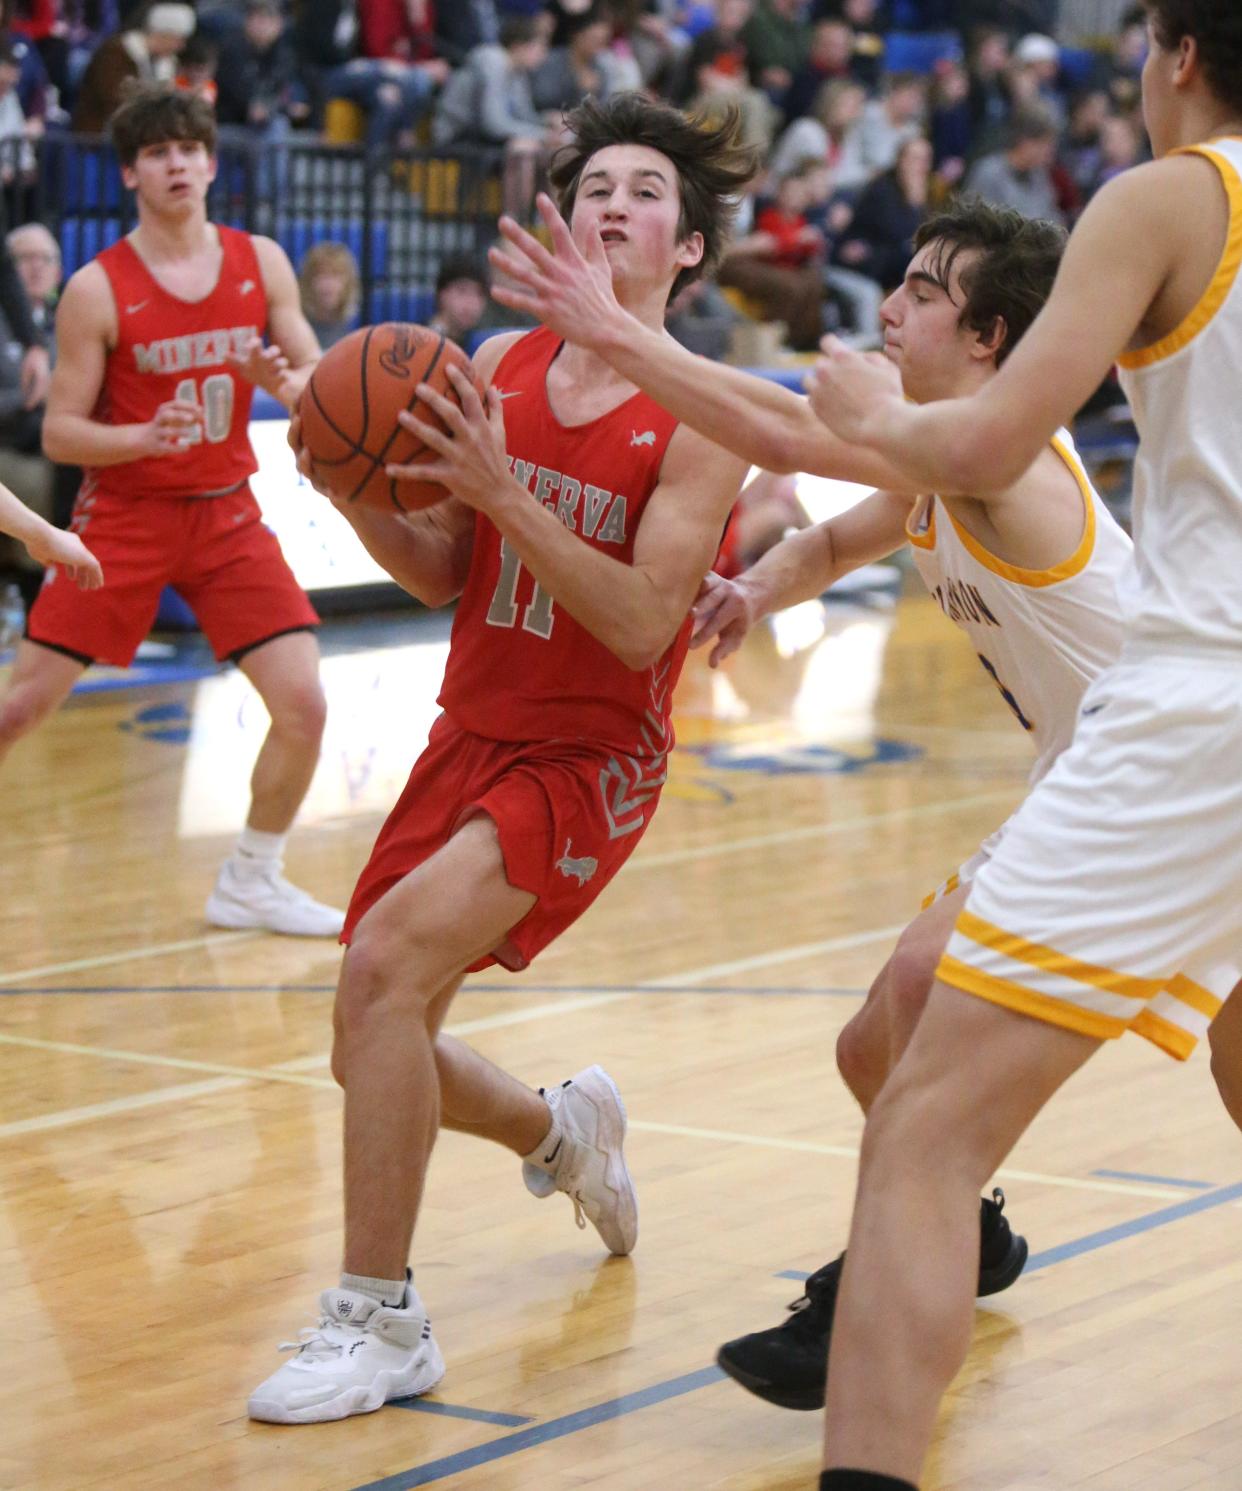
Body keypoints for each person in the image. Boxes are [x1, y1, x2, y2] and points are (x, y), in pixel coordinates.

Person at [488, 190, 1132, 1416]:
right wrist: (755, 589)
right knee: (869, 1050)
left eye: (929, 292)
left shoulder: (994, 455)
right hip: (1086, 774)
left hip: (1160, 773)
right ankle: (965, 1229)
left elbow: (780, 438)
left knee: (909, 990)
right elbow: (836, 542)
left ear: (991, 339)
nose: (890, 306)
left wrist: (623, 336)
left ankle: (865, 1301)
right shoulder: (940, 458)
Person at [246, 91, 752, 1426]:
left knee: (383, 963)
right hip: (470, 726)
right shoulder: (494, 362)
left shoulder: (700, 414)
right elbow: (437, 575)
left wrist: (502, 487)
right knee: (377, 1030)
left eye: (647, 190)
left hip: (589, 756)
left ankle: (378, 1314)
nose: (614, 201)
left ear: (685, 248)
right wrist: (346, 471)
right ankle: (560, 1130)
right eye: (596, 183)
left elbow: (646, 618)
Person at [800, 4, 1242, 1484]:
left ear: (1176, 53)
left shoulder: (1171, 191)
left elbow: (981, 442)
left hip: (1199, 704)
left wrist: (876, 409)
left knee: (922, 1117)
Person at [1, 86, 345, 939]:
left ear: (212, 161)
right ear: (130, 172)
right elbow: (62, 434)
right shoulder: (96, 287)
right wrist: (146, 435)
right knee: (19, 709)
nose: (178, 162)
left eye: (190, 147)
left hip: (228, 513)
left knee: (303, 702)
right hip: (125, 516)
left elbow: (323, 381)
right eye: (157, 152)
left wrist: (290, 388)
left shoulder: (259, 260)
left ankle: (252, 879)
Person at [72, 3, 196, 133]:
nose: (181, 47)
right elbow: (115, 98)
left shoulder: (168, 63)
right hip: (101, 133)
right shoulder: (116, 52)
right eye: (179, 40)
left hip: (146, 130)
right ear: (164, 34)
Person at [296, 240, 360, 350]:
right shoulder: (294, 329)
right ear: (307, 282)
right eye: (321, 275)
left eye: (336, 275)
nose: (328, 284)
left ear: (348, 283)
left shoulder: (352, 332)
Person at [427, 254, 488, 346]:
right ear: (442, 294)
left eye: (479, 294)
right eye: (462, 291)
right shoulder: (419, 341)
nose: (471, 302)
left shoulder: (482, 345)